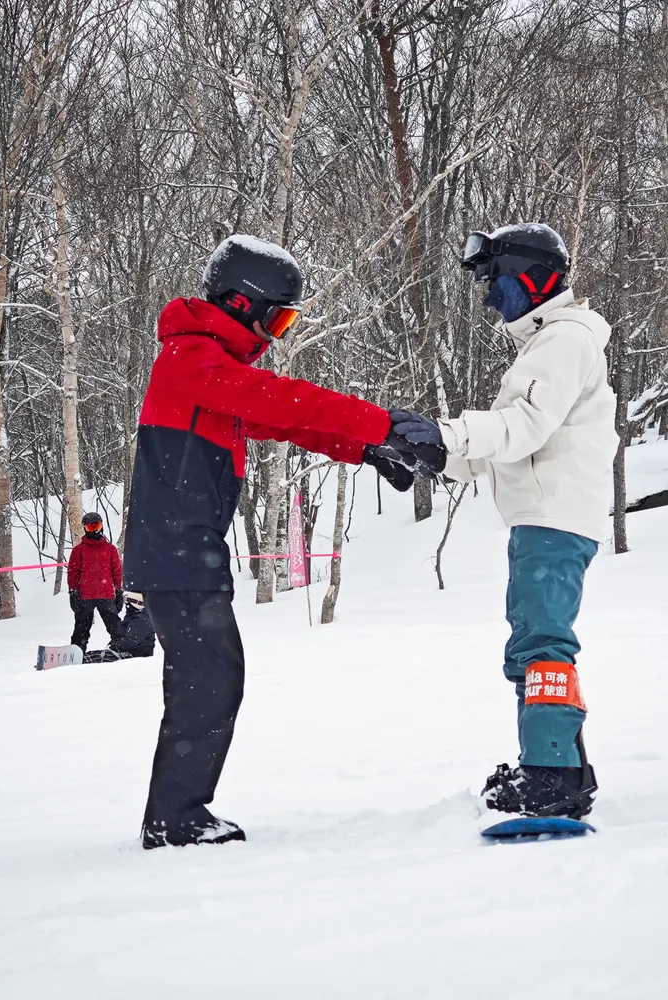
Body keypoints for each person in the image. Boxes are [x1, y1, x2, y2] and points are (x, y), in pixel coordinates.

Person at [122, 234, 418, 850]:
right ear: (241, 302)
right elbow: (279, 398)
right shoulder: (190, 358)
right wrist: (378, 421)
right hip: (176, 550)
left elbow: (281, 421)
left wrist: (366, 448)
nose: (277, 334)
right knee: (209, 679)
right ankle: (174, 818)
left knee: (211, 677)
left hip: (187, 550)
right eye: (277, 319)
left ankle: (175, 813)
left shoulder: (209, 369)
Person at [386, 223, 619, 819]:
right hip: (543, 516)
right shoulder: (544, 345)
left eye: (494, 280)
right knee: (533, 648)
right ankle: (559, 764)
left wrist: (447, 432)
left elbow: (523, 427)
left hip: (554, 517)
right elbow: (503, 446)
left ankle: (553, 775)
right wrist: (432, 451)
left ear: (532, 278)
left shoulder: (564, 341)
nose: (489, 296)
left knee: (542, 646)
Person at [68, 512, 124, 654]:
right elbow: (73, 573)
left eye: (97, 526)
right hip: (85, 596)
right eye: (90, 527)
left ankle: (122, 650)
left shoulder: (110, 549)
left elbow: (117, 572)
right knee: (81, 629)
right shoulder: (79, 550)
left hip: (106, 595)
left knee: (116, 627)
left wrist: (119, 591)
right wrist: (73, 592)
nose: (95, 530)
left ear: (102, 526)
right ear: (85, 529)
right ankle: (76, 654)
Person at [83, 592, 156, 663]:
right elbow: (120, 635)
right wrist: (112, 644)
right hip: (125, 652)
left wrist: (114, 645)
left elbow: (129, 641)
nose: (126, 604)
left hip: (137, 656)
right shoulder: (132, 616)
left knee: (100, 658)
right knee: (94, 655)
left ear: (136, 602)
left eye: (127, 601)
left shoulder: (142, 620)